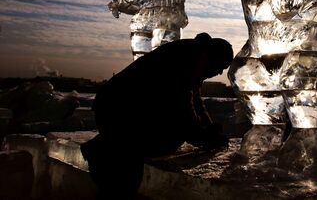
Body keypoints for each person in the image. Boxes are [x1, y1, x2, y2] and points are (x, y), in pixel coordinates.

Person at [81, 33, 233, 199]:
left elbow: (195, 100)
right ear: (213, 56)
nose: (219, 73)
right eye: (221, 66)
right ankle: (101, 151)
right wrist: (203, 136)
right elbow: (181, 107)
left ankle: (106, 149)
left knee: (168, 138)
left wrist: (208, 126)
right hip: (117, 108)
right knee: (132, 167)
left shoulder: (196, 55)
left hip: (121, 106)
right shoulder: (190, 59)